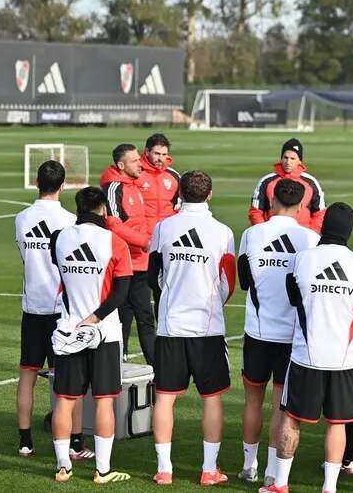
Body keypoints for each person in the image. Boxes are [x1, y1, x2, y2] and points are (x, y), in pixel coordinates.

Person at [261, 203, 353, 493]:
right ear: (350, 230)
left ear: (324, 227)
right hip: (344, 359)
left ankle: (281, 484)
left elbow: (293, 298)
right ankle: (329, 488)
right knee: (337, 423)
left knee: (292, 419)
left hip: (306, 356)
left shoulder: (302, 260)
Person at [149, 170, 237, 486]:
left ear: (180, 193)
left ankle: (164, 470)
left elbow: (153, 276)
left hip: (171, 326)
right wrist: (209, 303)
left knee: (165, 397)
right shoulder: (223, 232)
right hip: (207, 328)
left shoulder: (163, 227)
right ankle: (208, 469)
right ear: (209, 194)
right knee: (211, 398)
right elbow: (229, 283)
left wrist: (172, 296)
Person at [236, 179, 320, 485]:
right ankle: (272, 471)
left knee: (252, 402)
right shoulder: (310, 238)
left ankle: (249, 466)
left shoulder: (251, 234)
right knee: (280, 407)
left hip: (257, 332)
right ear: (301, 206)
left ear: (271, 202)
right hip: (291, 337)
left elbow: (244, 282)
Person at [49, 186, 135, 484]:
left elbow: (60, 271)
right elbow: (121, 293)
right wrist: (94, 318)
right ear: (103, 210)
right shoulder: (115, 242)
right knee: (104, 401)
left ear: (78, 209)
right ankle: (103, 470)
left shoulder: (58, 238)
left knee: (64, 400)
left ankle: (63, 467)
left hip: (69, 330)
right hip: (105, 333)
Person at [14, 161, 92, 461]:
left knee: (27, 375)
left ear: (36, 181)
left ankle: (25, 441)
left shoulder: (21, 218)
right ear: (63, 185)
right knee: (69, 381)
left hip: (32, 307)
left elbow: (24, 256)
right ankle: (74, 444)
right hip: (62, 310)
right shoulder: (71, 220)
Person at [99, 143, 155, 364]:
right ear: (121, 165)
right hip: (123, 265)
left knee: (146, 318)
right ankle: (117, 365)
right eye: (134, 161)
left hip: (141, 263)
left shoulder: (133, 186)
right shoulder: (113, 188)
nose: (140, 164)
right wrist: (144, 242)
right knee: (122, 318)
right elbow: (113, 225)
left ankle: (156, 370)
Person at [250, 139, 326, 232]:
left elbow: (320, 213)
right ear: (281, 158)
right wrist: (264, 232)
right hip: (273, 237)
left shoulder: (311, 183)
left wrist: (312, 234)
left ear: (299, 161)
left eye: (292, 159)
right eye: (285, 158)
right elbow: (256, 212)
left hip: (303, 239)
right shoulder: (266, 181)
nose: (288, 162)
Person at [139, 133, 181, 222]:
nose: (160, 158)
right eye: (157, 153)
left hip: (166, 231)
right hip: (142, 233)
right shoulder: (135, 173)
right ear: (147, 152)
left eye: (164, 154)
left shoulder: (174, 176)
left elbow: (178, 207)